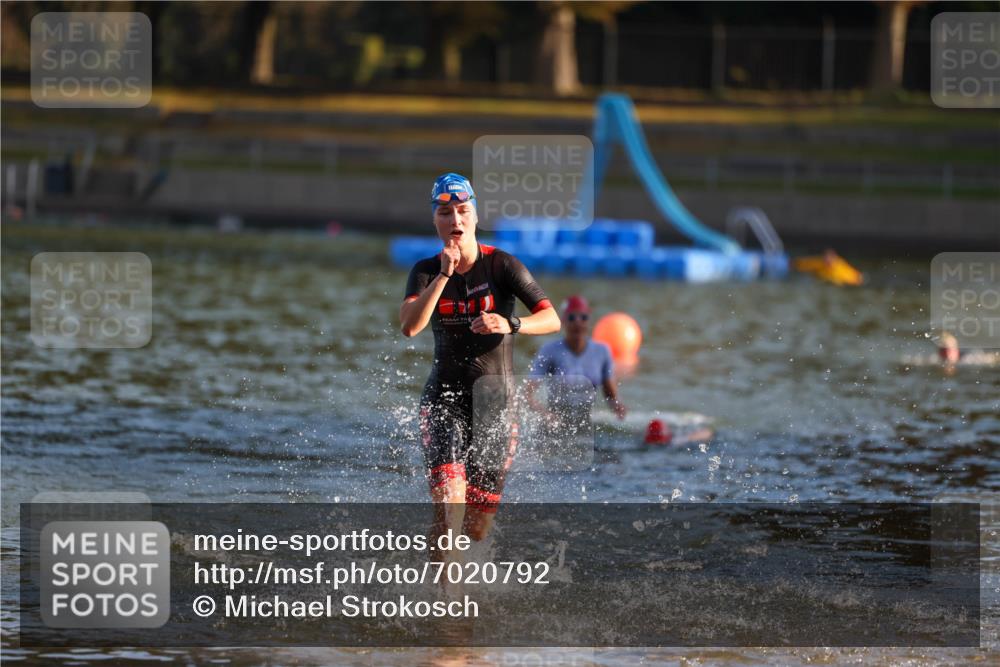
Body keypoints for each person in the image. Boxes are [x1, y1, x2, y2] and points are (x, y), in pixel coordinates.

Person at [399, 172, 561, 547]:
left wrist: (510, 323)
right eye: (445, 213)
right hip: (444, 400)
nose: (455, 220)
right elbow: (409, 327)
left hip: (496, 406)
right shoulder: (425, 271)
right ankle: (444, 586)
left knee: (475, 529)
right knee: (449, 510)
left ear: (475, 216)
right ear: (435, 220)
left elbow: (552, 318)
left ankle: (462, 576)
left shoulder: (502, 265)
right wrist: (444, 275)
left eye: (462, 211)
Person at [528, 295, 627, 423]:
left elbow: (611, 396)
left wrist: (619, 408)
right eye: (572, 318)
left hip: (585, 420)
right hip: (556, 421)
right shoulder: (549, 351)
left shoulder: (602, 351)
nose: (578, 322)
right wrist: (544, 414)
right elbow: (527, 395)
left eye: (583, 317)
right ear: (563, 321)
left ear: (589, 321)